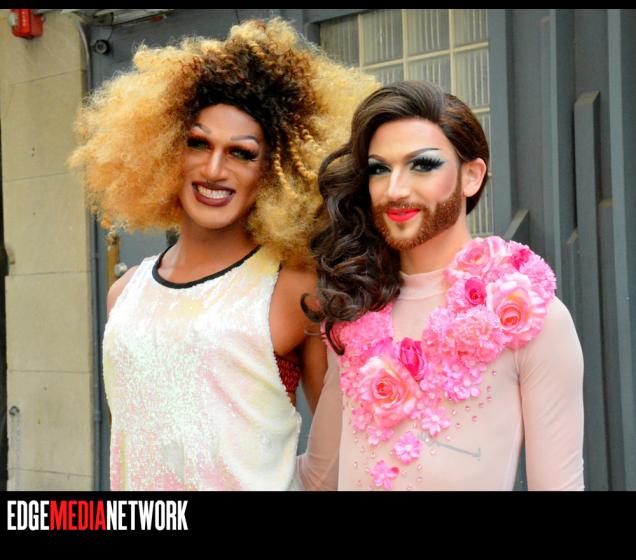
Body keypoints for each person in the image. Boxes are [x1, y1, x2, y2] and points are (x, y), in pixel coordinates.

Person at [68, 18, 378, 490]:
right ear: (164, 150)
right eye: (198, 144)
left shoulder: (292, 289)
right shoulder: (124, 294)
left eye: (242, 153)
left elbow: (343, 452)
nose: (214, 169)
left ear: (273, 171)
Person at [297, 80, 585, 491]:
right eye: (379, 169)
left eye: (422, 165)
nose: (395, 189)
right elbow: (318, 477)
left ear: (471, 176)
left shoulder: (529, 316)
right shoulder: (353, 311)